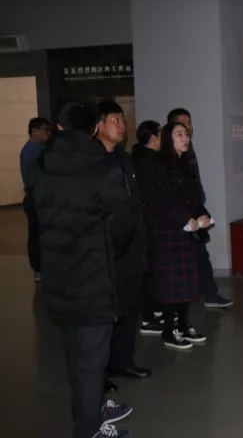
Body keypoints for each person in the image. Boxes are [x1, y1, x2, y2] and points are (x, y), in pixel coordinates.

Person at [29, 101, 135, 438]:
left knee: (77, 356)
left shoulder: (41, 166)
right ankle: (88, 430)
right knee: (92, 362)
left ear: (59, 127)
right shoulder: (102, 168)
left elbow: (35, 214)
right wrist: (104, 250)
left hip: (57, 277)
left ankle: (92, 410)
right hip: (93, 280)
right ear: (94, 128)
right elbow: (124, 224)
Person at [94, 101, 152, 386]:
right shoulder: (92, 162)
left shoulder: (125, 159)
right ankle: (100, 372)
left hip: (131, 249)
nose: (121, 125)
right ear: (99, 125)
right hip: (106, 251)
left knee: (129, 309)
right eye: (115, 120)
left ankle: (123, 362)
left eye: (122, 120)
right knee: (104, 316)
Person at [149, 121, 209, 350]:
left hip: (187, 231)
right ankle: (169, 330)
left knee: (186, 283)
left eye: (186, 134)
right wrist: (184, 218)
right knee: (170, 285)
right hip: (168, 231)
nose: (185, 138)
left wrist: (203, 214)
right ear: (168, 139)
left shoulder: (187, 164)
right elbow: (160, 200)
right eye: (179, 134)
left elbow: (195, 198)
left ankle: (184, 326)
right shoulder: (159, 165)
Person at [167, 108, 233, 308]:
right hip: (179, 219)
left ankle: (210, 295)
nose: (188, 130)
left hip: (194, 209)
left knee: (201, 256)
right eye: (182, 127)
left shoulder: (188, 152)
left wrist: (201, 210)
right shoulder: (166, 162)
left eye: (189, 125)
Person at [131, 120, 165, 336]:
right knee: (150, 269)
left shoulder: (139, 157)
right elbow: (154, 193)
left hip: (147, 220)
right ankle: (148, 317)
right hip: (150, 221)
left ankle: (153, 309)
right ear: (153, 136)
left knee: (151, 269)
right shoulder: (149, 160)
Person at [19, 117, 52, 282]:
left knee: (36, 234)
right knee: (38, 235)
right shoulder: (35, 151)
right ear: (34, 131)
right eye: (45, 129)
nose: (48, 133)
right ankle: (40, 268)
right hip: (37, 200)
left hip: (33, 199)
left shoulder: (31, 149)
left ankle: (39, 269)